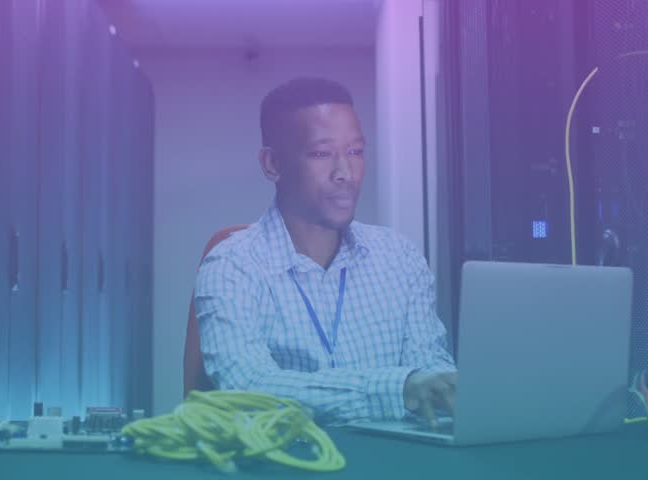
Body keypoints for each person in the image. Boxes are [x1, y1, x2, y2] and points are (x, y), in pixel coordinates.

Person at [193, 77, 456, 427]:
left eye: (356, 152)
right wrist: (399, 388)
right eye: (321, 154)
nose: (345, 173)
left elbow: (431, 368)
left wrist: (445, 387)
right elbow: (248, 387)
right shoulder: (230, 265)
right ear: (272, 164)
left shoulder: (400, 258)